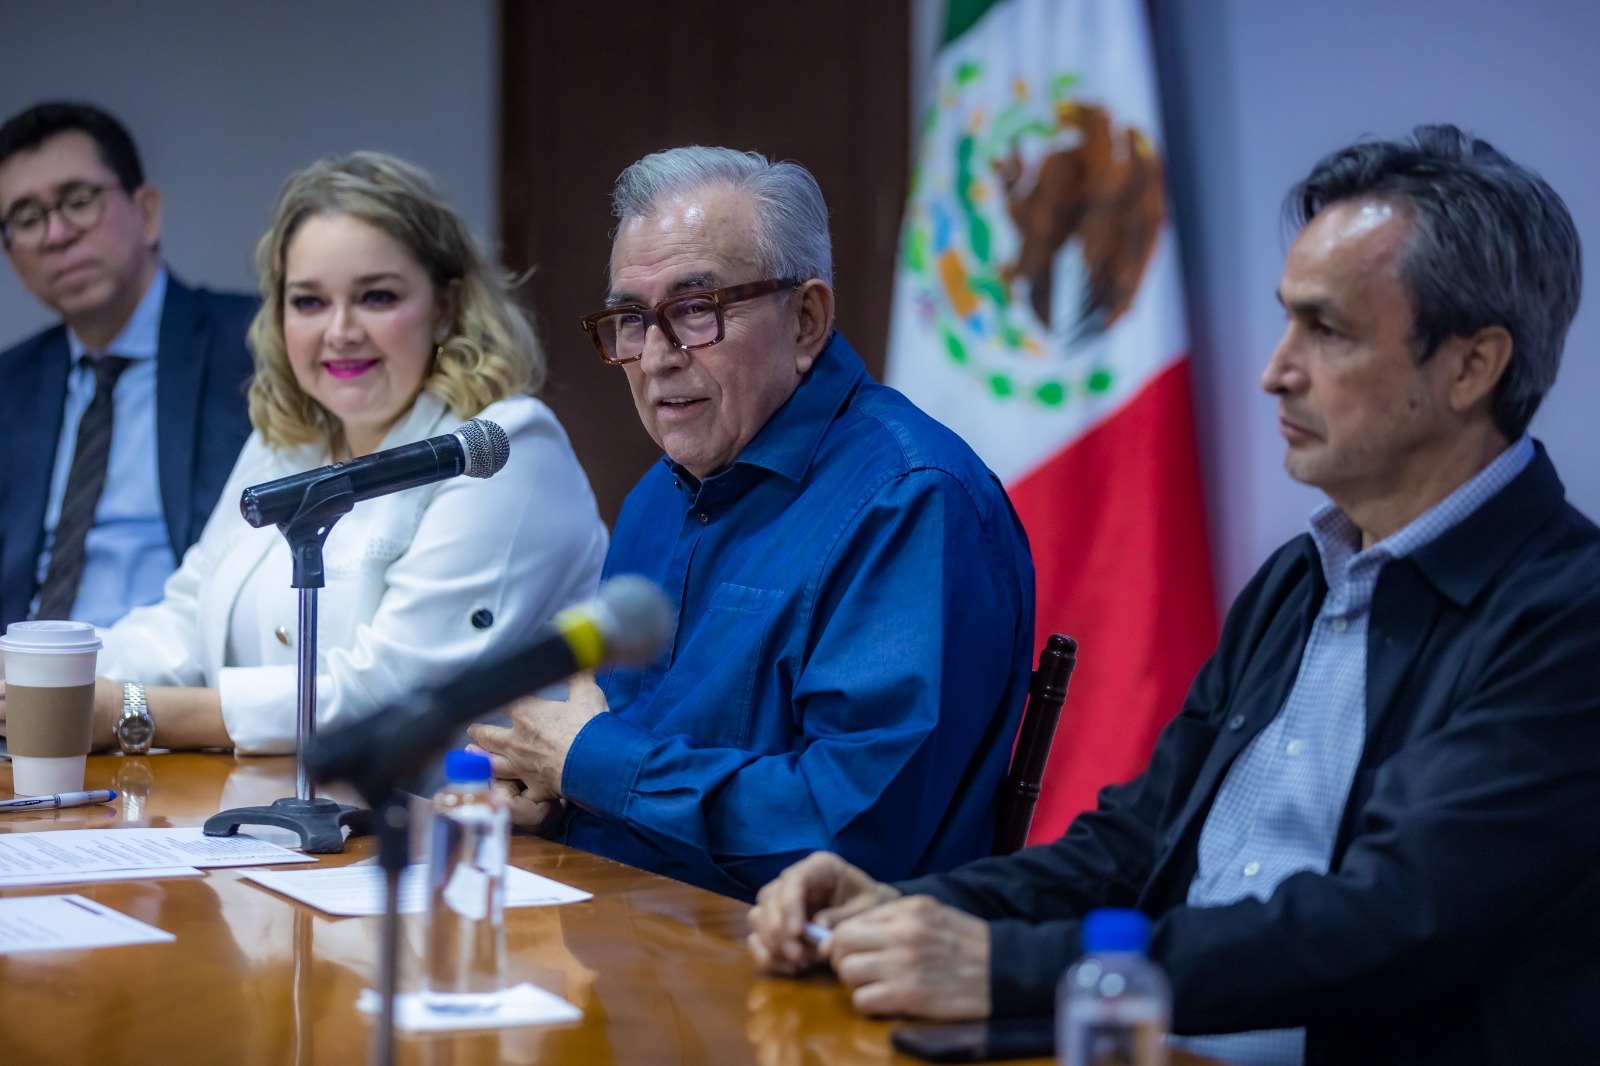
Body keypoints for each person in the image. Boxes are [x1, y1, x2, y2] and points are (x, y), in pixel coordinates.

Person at [749, 125, 1600, 1065]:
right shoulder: (1299, 576)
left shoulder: (1569, 611)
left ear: (1472, 366)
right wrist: (910, 908)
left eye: (1327, 330)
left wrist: (1008, 966)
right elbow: (1137, 845)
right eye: (1287, 321)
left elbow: (1394, 918)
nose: (1277, 368)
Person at [467, 147, 1036, 900]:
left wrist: (591, 764)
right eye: (631, 320)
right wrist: (550, 790)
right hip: (624, 929)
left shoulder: (912, 502)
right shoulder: (657, 496)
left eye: (696, 310)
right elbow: (614, 742)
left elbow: (851, 831)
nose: (657, 358)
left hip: (795, 974)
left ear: (806, 321)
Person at [0, 151, 607, 755]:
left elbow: (390, 697)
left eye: (376, 297)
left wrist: (133, 712)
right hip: (283, 817)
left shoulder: (504, 448)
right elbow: (185, 618)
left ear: (445, 306)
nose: (339, 331)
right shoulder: (290, 440)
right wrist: (43, 672)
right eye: (309, 302)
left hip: (456, 828)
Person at [0, 102, 256, 629]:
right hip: (21, 680)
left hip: (179, 686)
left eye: (78, 201)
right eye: (26, 219)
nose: (56, 234)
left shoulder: (256, 344)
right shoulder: (11, 385)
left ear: (147, 211)